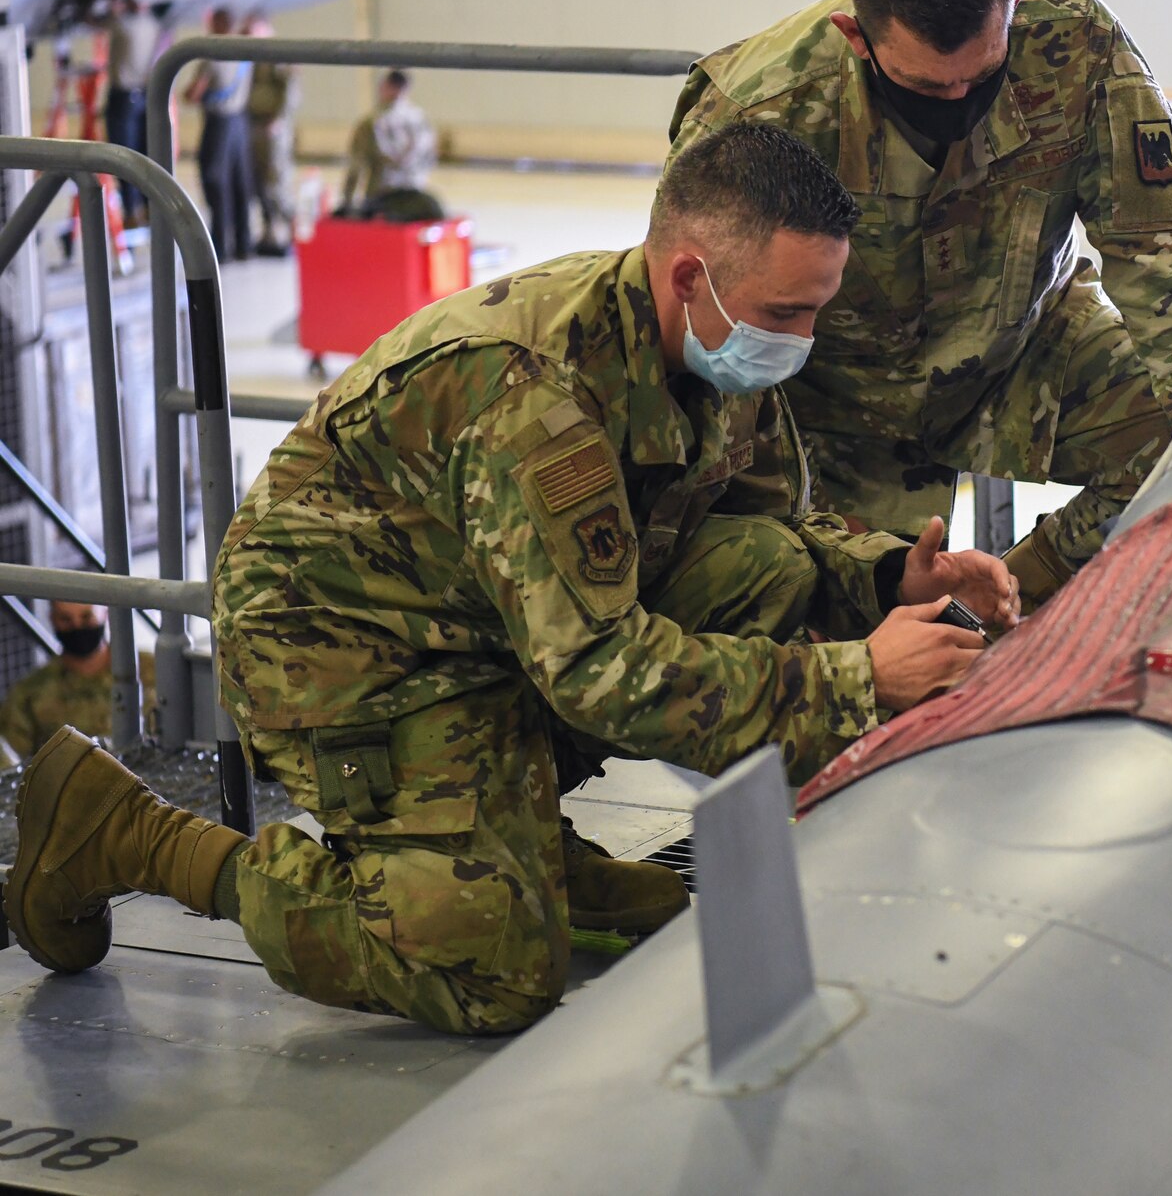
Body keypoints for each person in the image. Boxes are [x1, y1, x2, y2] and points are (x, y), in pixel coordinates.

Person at [5, 122, 1017, 1036]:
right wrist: (854, 679)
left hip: (487, 617)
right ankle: (125, 830)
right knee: (491, 973)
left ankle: (514, 838)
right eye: (785, 313)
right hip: (346, 654)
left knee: (762, 572)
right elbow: (595, 670)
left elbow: (757, 529)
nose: (798, 341)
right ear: (688, 277)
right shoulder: (532, 397)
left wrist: (885, 575)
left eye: (814, 313)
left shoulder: (696, 349)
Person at [665, 0, 1172, 613]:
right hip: (833, 407)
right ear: (857, 38)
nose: (955, 102)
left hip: (1019, 353)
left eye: (981, 76)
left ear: (1012, 3)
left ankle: (1007, 601)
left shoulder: (1071, 46)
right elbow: (693, 321)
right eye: (922, 84)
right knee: (848, 632)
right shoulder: (762, 108)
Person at [0, 602, 152, 767]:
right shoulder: (30, 693)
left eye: (87, 617)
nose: (77, 626)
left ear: (105, 614)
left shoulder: (153, 670)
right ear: (52, 619)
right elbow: (12, 763)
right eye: (66, 619)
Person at [183, 7, 255, 260]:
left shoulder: (212, 57)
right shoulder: (244, 52)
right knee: (240, 184)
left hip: (218, 125)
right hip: (240, 124)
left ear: (216, 24)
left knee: (216, 184)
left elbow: (193, 94)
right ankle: (245, 245)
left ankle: (220, 247)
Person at [341, 69, 439, 220]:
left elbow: (356, 167)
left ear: (384, 87)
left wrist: (347, 204)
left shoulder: (371, 122)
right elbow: (430, 160)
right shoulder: (420, 120)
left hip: (382, 201)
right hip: (415, 201)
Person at [244, 12, 300, 256]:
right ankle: (270, 230)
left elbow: (291, 90)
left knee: (276, 179)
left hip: (273, 129)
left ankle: (288, 231)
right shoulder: (250, 56)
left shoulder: (276, 55)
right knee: (259, 182)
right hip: (253, 125)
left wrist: (278, 118)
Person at [102, 0, 161, 225]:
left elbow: (95, 21)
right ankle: (147, 209)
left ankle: (131, 212)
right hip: (143, 96)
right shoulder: (153, 25)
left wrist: (110, 5)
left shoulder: (124, 25)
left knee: (123, 156)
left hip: (123, 98)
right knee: (143, 153)